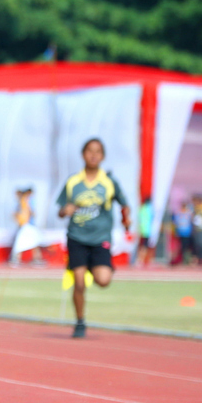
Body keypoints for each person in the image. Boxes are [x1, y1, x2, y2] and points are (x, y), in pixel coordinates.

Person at [57, 138, 131, 338]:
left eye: (98, 151)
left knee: (103, 280)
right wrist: (66, 210)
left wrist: (126, 219)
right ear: (83, 154)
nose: (93, 155)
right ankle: (80, 322)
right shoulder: (73, 181)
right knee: (79, 283)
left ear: (103, 156)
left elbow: (124, 203)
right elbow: (60, 210)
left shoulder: (109, 182)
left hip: (100, 239)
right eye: (90, 151)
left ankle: (93, 266)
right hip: (77, 237)